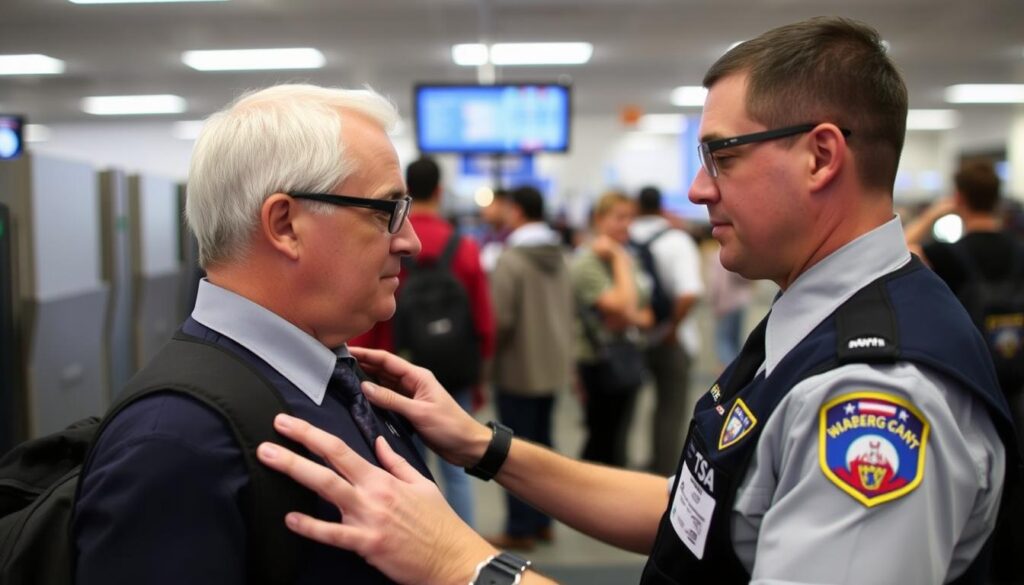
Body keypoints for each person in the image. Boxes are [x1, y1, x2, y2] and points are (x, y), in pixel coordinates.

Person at [257, 17, 1017, 585]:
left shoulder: (874, 393)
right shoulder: (812, 317)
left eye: (722, 154)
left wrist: (462, 560)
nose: (697, 189)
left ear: (821, 156)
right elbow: (702, 508)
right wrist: (483, 447)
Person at [73, 84, 432, 584]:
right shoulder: (177, 442)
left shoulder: (329, 379)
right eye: (384, 211)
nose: (410, 240)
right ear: (285, 224)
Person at [350, 156, 495, 527]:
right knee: (459, 468)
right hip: (454, 369)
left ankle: (421, 544)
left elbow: (365, 310)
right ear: (441, 191)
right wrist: (479, 377)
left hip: (394, 369)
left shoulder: (385, 241)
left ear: (407, 192)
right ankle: (465, 550)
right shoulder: (463, 246)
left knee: (404, 464)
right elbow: (483, 320)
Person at [904, 160, 1024, 584]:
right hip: (1018, 387)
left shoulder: (950, 254)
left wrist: (936, 214)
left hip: (971, 384)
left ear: (959, 198)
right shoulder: (1018, 248)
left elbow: (900, 248)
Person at [485, 185, 575, 550]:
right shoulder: (560, 254)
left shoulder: (511, 258)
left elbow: (501, 319)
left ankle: (520, 529)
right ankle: (543, 522)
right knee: (544, 443)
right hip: (551, 363)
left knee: (514, 449)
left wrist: (488, 360)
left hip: (518, 366)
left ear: (517, 210)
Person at [572, 191, 653, 467]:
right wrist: (619, 261)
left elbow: (646, 314)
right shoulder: (588, 262)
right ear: (599, 219)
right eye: (619, 218)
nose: (626, 225)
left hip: (628, 354)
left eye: (630, 217)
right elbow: (624, 305)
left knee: (620, 438)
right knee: (601, 440)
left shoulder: (630, 256)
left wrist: (629, 314)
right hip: (598, 361)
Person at [628, 185, 704, 475]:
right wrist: (672, 327)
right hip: (672, 340)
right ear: (661, 206)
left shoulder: (626, 236)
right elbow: (689, 292)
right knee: (670, 409)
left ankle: (618, 471)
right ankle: (662, 473)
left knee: (625, 409)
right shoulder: (676, 240)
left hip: (631, 335)